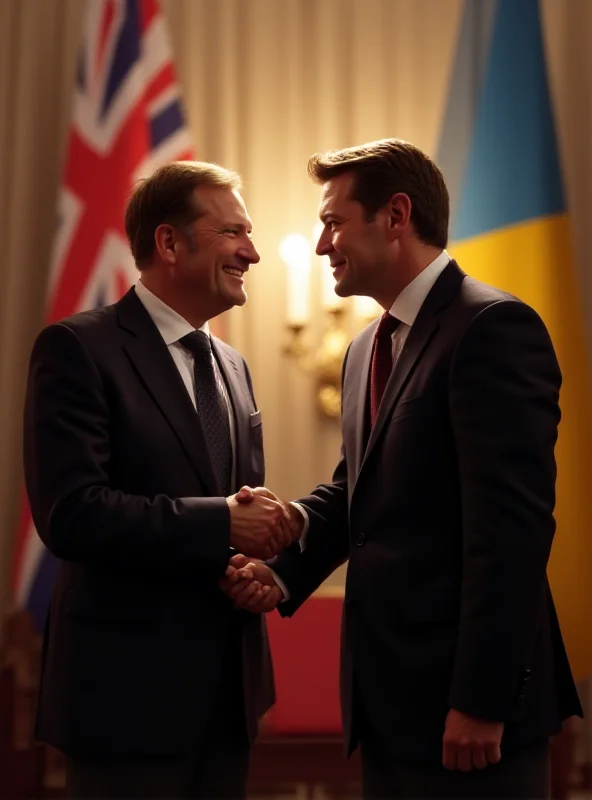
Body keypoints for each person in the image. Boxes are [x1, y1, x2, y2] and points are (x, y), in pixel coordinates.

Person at [221, 139, 583, 798]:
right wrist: (285, 563)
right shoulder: (366, 347)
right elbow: (360, 492)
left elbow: (511, 533)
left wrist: (481, 700)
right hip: (390, 705)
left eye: (333, 221)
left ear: (395, 216)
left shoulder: (493, 328)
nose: (323, 243)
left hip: (469, 713)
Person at [23, 161, 298, 799]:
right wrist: (221, 521)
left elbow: (236, 503)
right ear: (170, 243)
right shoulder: (78, 348)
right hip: (126, 698)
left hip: (229, 695)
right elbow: (72, 513)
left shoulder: (231, 364)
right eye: (233, 233)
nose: (252, 253)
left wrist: (253, 559)